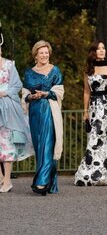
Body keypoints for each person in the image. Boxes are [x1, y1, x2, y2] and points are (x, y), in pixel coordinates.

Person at [74, 40, 107, 186]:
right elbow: (86, 92)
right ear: (93, 52)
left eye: (104, 48)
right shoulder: (88, 69)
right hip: (94, 107)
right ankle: (91, 172)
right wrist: (85, 111)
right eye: (99, 48)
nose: (102, 50)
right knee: (95, 139)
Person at [22, 40, 64, 195]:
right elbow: (24, 93)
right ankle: (51, 181)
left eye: (46, 52)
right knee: (40, 146)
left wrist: (46, 93)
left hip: (49, 110)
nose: (44, 55)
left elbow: (59, 92)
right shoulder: (29, 72)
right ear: (36, 55)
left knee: (48, 143)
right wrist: (31, 97)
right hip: (34, 112)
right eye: (41, 53)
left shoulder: (55, 70)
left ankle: (41, 183)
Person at [0, 29, 33, 193]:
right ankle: (1, 178)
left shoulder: (8, 64)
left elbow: (18, 84)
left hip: (7, 107)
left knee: (7, 144)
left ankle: (7, 181)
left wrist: (4, 92)